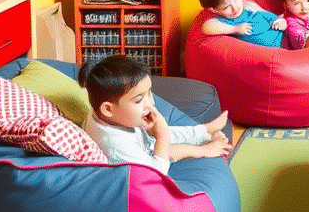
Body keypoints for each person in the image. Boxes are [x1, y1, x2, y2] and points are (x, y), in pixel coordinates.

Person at [79, 55, 231, 173]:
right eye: (139, 99)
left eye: (149, 92)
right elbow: (157, 172)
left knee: (159, 129)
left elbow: (154, 136)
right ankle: (204, 145)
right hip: (146, 162)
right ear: (108, 109)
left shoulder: (112, 116)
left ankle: (205, 131)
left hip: (145, 147)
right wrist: (163, 135)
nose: (150, 102)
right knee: (162, 133)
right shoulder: (116, 146)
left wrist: (161, 133)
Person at [197, 0, 286, 47]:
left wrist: (279, 20)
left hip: (285, 32)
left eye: (236, 0)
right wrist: (235, 28)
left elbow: (264, 13)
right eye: (226, 7)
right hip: (280, 47)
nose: (235, 8)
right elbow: (206, 27)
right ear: (213, 10)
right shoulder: (227, 22)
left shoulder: (248, 7)